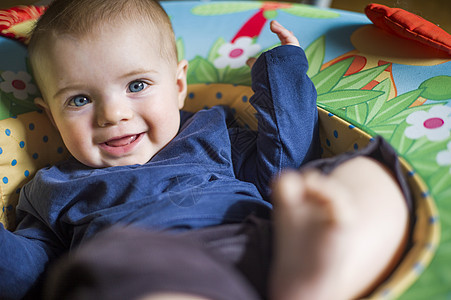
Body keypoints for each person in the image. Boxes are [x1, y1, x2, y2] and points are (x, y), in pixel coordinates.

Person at [0, 0, 411, 299]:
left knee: (372, 171)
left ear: (179, 86)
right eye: (79, 100)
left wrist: (282, 72)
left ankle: (318, 285)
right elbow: (28, 277)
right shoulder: (51, 187)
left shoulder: (209, 130)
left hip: (265, 241)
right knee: (107, 275)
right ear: (51, 117)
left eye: (137, 85)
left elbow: (285, 169)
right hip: (143, 267)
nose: (113, 114)